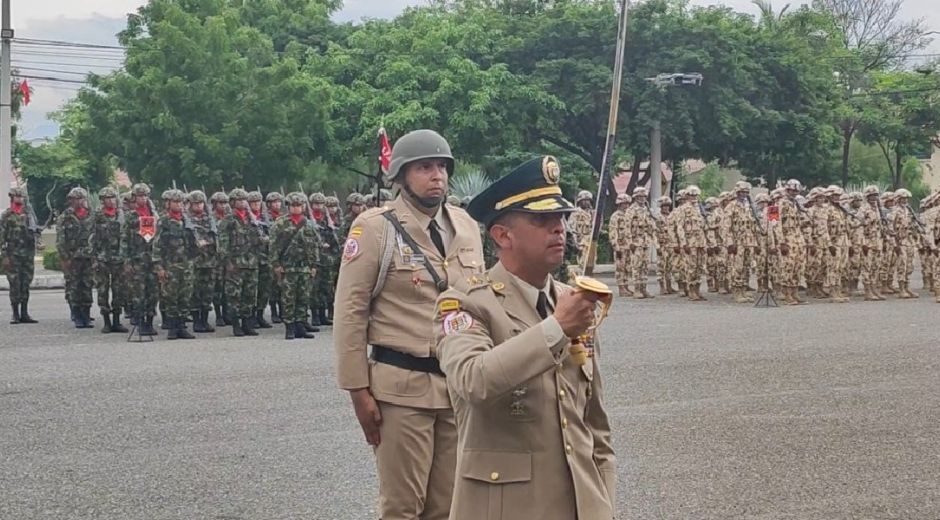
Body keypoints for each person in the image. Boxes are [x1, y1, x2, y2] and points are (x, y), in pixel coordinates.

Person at [434, 155, 616, 520]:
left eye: (560, 218)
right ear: (502, 235)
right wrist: (556, 329)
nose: (559, 228)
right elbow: (472, 379)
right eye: (541, 220)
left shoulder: (569, 300)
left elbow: (595, 425)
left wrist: (603, 498)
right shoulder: (466, 303)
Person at [333, 129, 485, 520]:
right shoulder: (375, 228)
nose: (437, 176)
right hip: (401, 390)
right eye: (424, 167)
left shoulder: (466, 227)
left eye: (441, 167)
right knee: (402, 508)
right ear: (401, 176)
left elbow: (481, 303)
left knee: (450, 506)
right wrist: (357, 390)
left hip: (457, 387)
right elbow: (350, 312)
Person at [269, 192, 320, 340]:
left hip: (304, 267)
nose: (297, 208)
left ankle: (301, 325)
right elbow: (273, 245)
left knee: (303, 297)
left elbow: (314, 245)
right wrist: (276, 264)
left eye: (299, 205)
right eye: (294, 205)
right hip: (288, 267)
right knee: (288, 298)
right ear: (288, 207)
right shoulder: (280, 223)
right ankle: (289, 327)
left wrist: (314, 264)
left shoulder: (309, 224)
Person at [152, 189, 196, 339]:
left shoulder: (186, 220)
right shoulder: (163, 221)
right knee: (171, 297)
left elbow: (192, 243)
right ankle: (172, 327)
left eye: (181, 202)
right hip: (170, 265)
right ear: (168, 204)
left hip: (187, 264)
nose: (179, 205)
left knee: (185, 296)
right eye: (176, 202)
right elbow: (157, 245)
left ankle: (182, 326)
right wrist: (159, 267)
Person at [218, 188, 262, 337]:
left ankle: (247, 323)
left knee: (249, 294)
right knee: (234, 295)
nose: (243, 203)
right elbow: (223, 243)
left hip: (251, 262)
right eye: (239, 200)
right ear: (232, 203)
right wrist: (227, 261)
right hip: (235, 263)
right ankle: (236, 324)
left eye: (245, 200)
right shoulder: (228, 220)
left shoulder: (251, 219)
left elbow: (258, 239)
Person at [122, 183, 159, 335]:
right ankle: (141, 322)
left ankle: (150, 321)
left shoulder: (153, 214)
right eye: (140, 196)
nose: (143, 198)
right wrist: (127, 261)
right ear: (134, 198)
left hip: (152, 259)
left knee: (153, 292)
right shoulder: (131, 215)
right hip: (137, 259)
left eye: (145, 196)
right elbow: (124, 239)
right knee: (139, 293)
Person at [57, 187, 96, 327]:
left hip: (88, 257)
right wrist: (65, 258)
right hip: (72, 258)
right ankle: (77, 315)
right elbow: (61, 240)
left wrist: (95, 256)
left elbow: (97, 237)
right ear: (70, 201)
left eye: (81, 198)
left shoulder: (92, 216)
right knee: (73, 286)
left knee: (87, 285)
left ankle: (86, 314)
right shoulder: (65, 217)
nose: (78, 201)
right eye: (75, 199)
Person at [91, 187, 129, 333]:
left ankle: (117, 321)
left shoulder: (122, 215)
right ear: (102, 200)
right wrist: (93, 258)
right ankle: (106, 321)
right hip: (102, 259)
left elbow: (126, 237)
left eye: (113, 198)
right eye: (107, 198)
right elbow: (91, 238)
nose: (111, 201)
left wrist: (126, 258)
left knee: (119, 290)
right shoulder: (97, 216)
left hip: (119, 259)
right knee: (103, 290)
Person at [0, 186, 40, 324]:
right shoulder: (6, 215)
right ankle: (15, 313)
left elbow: (35, 232)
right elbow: (2, 237)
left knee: (26, 283)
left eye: (22, 196)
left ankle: (24, 312)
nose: (20, 199)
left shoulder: (29, 214)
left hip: (27, 254)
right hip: (13, 255)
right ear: (12, 198)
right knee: (15, 284)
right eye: (18, 196)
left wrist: (37, 240)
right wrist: (4, 256)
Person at [186, 190, 218, 333]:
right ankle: (196, 321)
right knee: (195, 292)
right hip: (195, 261)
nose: (198, 206)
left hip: (210, 261)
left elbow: (217, 237)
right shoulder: (186, 219)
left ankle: (205, 320)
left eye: (200, 203)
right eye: (195, 203)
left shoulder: (210, 219)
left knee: (208, 291)